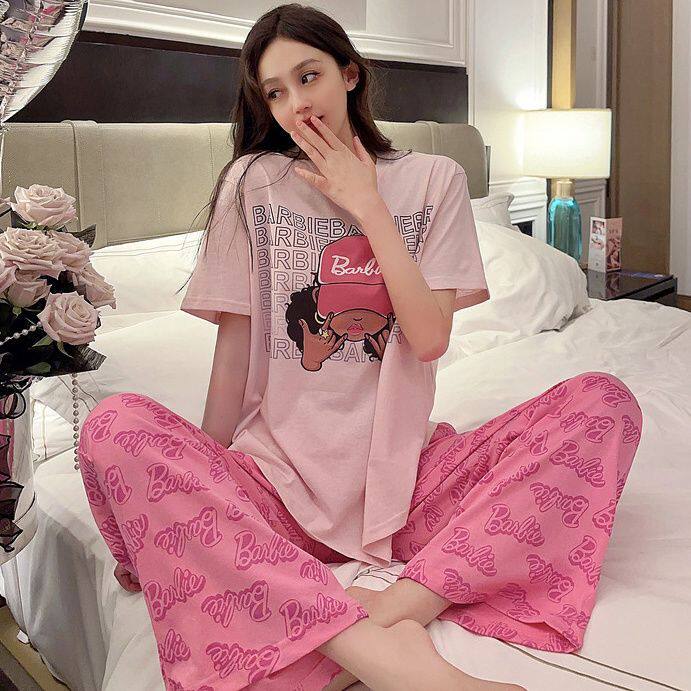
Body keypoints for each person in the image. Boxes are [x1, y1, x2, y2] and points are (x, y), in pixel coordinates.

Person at [77, 4, 643, 690]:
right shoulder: (252, 183)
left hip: (406, 488)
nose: (294, 104)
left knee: (603, 402)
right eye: (274, 92)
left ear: (349, 73)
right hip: (275, 490)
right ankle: (375, 650)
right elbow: (234, 357)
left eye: (308, 76)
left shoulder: (433, 178)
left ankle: (406, 603)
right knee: (112, 425)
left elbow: (429, 339)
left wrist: (367, 204)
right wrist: (193, 492)